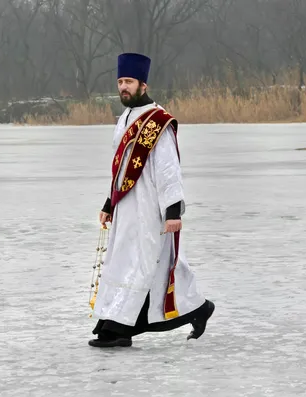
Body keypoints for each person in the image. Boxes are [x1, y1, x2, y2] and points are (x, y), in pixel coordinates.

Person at [89, 52, 215, 348]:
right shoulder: (123, 118)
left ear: (142, 85)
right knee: (124, 263)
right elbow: (119, 167)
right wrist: (109, 203)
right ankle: (116, 323)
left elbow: (169, 169)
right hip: (126, 207)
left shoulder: (158, 121)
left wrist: (172, 211)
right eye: (120, 81)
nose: (124, 87)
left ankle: (120, 328)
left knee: (146, 265)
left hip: (151, 208)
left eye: (129, 82)